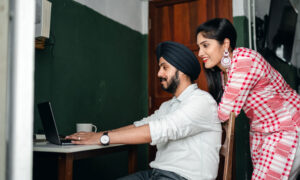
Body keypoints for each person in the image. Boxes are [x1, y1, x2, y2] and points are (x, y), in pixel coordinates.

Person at [66, 41, 222, 180]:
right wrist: (99, 135)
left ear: (182, 71)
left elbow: (157, 130)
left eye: (164, 68)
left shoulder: (202, 101)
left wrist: (103, 139)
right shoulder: (168, 106)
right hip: (155, 174)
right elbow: (140, 126)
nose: (159, 74)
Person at [196, 18, 300, 180]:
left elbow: (225, 112)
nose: (200, 53)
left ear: (225, 44)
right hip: (263, 131)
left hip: (288, 126)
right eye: (199, 47)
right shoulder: (225, 73)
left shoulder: (244, 61)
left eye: (205, 45)